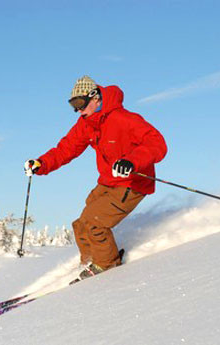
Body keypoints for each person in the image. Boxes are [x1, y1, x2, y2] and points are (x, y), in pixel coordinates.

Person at [24, 75, 167, 282]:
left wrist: (132, 162)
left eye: (80, 103)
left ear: (95, 98)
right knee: (81, 224)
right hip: (108, 181)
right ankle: (90, 260)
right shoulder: (87, 123)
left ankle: (107, 267)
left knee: (95, 223)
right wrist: (41, 163)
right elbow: (66, 149)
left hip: (131, 183)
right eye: (73, 105)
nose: (78, 110)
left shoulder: (124, 119)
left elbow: (157, 143)